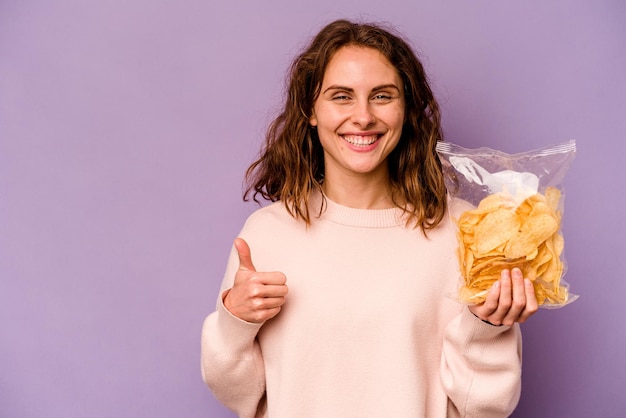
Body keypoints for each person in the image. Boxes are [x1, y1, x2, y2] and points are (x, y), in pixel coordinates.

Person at [201, 19, 538, 418]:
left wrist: (487, 328)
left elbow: (484, 407)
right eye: (341, 96)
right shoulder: (268, 233)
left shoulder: (463, 232)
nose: (362, 117)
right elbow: (240, 394)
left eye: (381, 96)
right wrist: (234, 322)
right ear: (311, 110)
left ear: (407, 109)